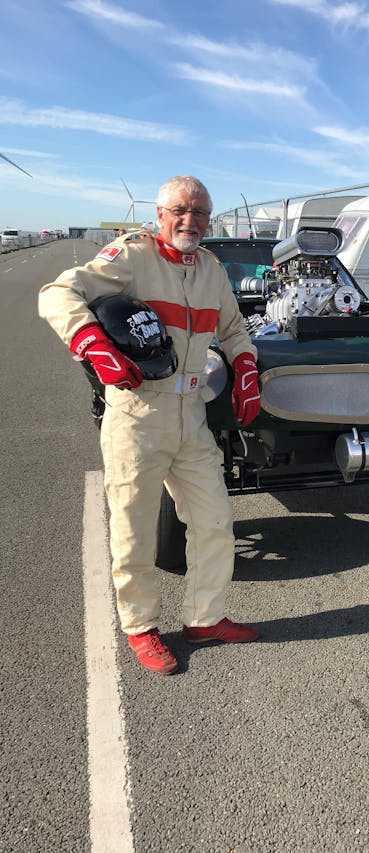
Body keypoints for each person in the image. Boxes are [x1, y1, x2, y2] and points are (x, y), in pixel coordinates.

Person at [39, 175, 262, 673]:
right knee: (135, 529)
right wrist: (92, 345)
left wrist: (245, 365)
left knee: (214, 521)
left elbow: (234, 327)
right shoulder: (133, 256)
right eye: (181, 211)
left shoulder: (210, 268)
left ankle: (206, 617)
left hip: (192, 414)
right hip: (138, 414)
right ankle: (140, 627)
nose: (191, 221)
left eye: (201, 213)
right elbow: (56, 294)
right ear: (160, 214)